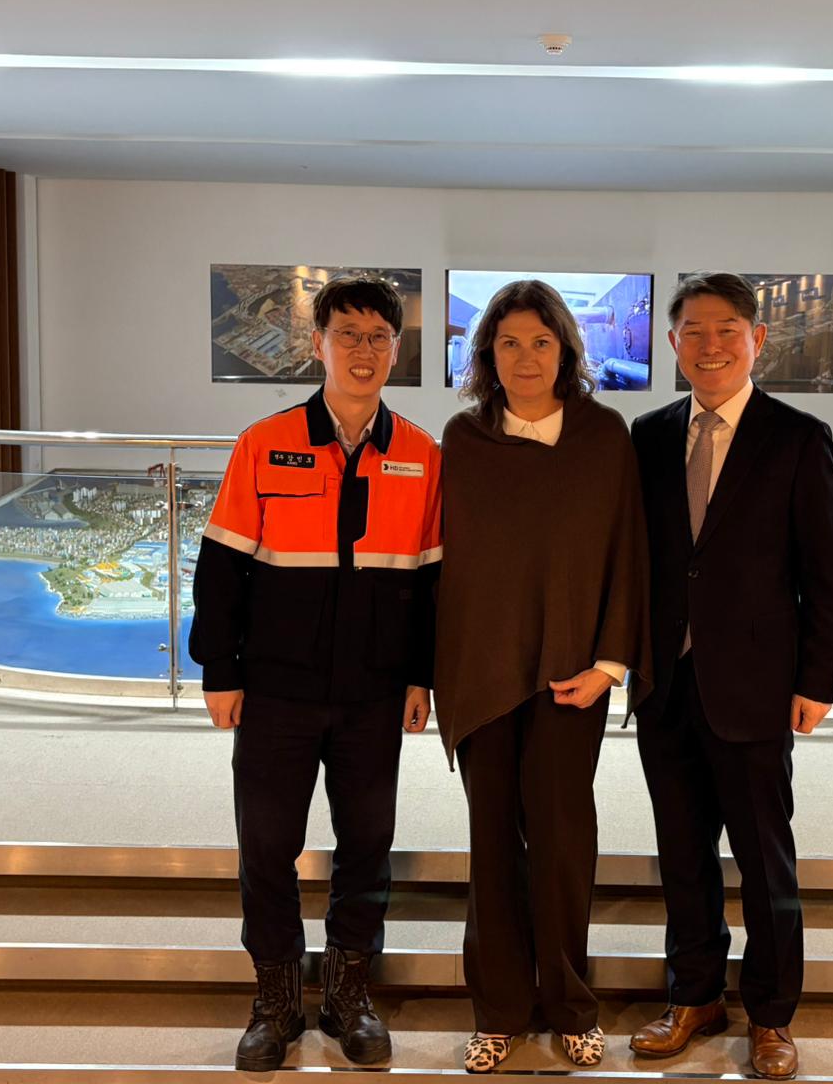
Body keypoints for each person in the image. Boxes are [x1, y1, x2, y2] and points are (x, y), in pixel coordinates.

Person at [189, 275, 442, 1072]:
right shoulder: (264, 443)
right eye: (347, 335)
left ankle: (347, 995)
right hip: (277, 689)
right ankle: (275, 1001)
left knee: (367, 844)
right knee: (267, 846)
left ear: (396, 351)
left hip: (375, 692)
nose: (363, 350)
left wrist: (422, 676)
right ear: (316, 345)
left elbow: (433, 579)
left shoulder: (422, 454)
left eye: (378, 337)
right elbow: (222, 568)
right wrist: (219, 670)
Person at [629, 272, 833, 1080]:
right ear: (673, 343)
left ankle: (772, 1015)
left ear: (757, 340)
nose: (710, 344)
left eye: (727, 329)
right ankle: (694, 997)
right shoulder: (647, 435)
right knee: (682, 854)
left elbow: (825, 571)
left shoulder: (798, 437)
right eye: (694, 330)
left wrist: (817, 680)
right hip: (665, 684)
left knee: (764, 860)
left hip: (756, 683)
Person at [432, 279, 651, 1074]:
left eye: (541, 342)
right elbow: (441, 566)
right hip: (480, 673)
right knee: (491, 847)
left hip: (572, 677)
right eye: (509, 342)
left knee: (561, 844)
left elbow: (628, 550)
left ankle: (570, 1006)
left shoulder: (603, 436)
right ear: (487, 353)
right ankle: (497, 1011)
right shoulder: (463, 439)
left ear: (566, 349)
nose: (525, 358)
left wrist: (609, 664)